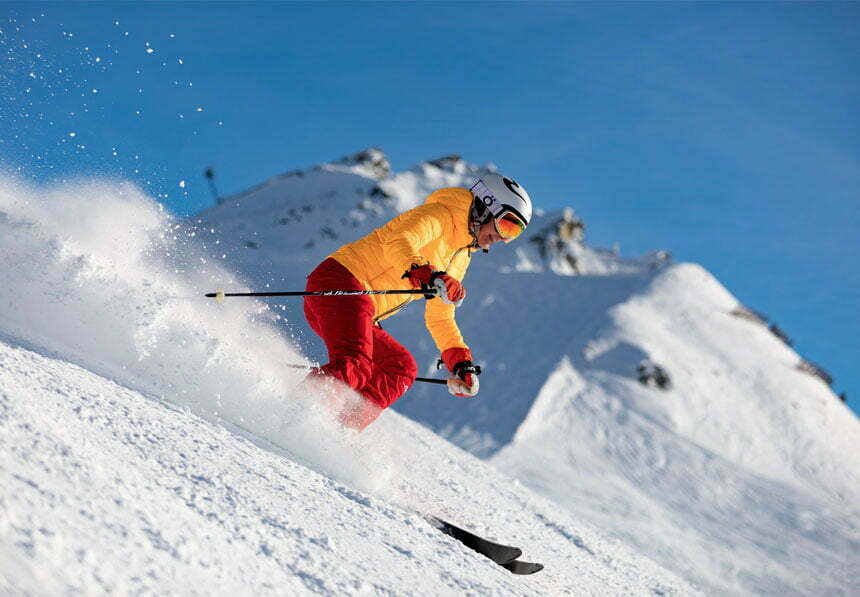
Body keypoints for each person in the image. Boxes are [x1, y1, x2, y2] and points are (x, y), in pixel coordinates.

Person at [303, 173, 533, 429]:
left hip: (361, 308)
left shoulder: (461, 254)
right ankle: (296, 409)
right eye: (506, 225)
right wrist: (426, 273)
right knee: (356, 365)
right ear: (486, 206)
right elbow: (398, 241)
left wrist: (459, 362)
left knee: (399, 368)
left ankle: (337, 430)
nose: (503, 238)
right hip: (342, 281)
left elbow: (440, 316)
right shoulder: (440, 215)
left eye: (514, 234)